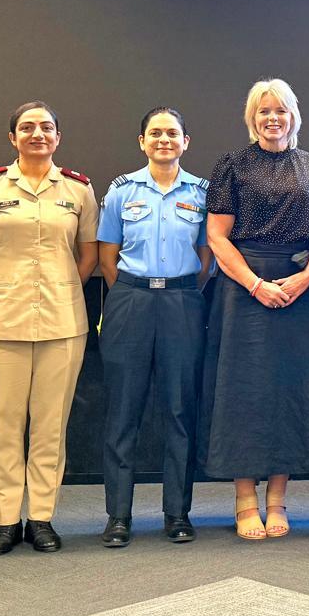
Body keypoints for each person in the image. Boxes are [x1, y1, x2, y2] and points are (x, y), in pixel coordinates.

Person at [201, 78, 309, 541]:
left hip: (299, 290)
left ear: (294, 115)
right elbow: (217, 237)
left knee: (290, 390)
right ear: (251, 118)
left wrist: (306, 277)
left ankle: (277, 499)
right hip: (244, 290)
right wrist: (256, 284)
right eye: (264, 111)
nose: (273, 118)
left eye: (281, 110)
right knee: (245, 392)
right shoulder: (231, 165)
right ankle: (243, 501)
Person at [0, 101, 99, 555]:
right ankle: (5, 521)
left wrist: (58, 290)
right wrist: (6, 289)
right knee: (4, 425)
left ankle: (41, 517)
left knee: (49, 426)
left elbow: (88, 257)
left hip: (62, 322)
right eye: (27, 127)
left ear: (57, 137)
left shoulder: (79, 190)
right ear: (12, 138)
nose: (37, 133)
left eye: (46, 127)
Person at [95, 107, 210, 548]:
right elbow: (108, 255)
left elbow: (205, 258)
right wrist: (136, 290)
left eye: (172, 133)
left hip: (182, 300)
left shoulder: (201, 193)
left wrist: (175, 289)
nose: (164, 140)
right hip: (131, 300)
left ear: (186, 141)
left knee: (180, 411)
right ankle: (118, 516)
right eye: (155, 133)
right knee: (123, 411)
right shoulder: (121, 191)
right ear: (142, 141)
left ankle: (177, 514)